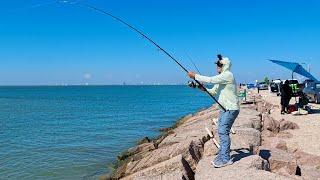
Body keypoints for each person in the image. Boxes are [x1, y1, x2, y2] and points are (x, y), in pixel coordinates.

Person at [188, 55, 240, 168]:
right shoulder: (221, 77)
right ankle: (222, 155)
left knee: (223, 132)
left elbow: (210, 80)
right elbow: (212, 91)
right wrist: (200, 87)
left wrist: (195, 76)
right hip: (224, 109)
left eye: (219, 64)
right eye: (217, 64)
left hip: (230, 109)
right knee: (221, 132)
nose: (217, 66)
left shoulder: (228, 75)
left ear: (225, 66)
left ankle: (226, 158)